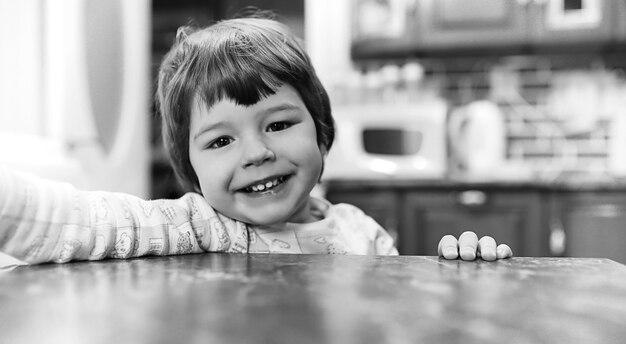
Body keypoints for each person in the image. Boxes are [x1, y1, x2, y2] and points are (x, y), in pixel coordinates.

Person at [0, 15, 511, 266]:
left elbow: (406, 320)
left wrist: (461, 272)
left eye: (279, 124)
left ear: (321, 129)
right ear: (192, 169)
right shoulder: (202, 226)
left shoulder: (362, 233)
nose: (257, 153)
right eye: (220, 142)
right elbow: (89, 223)